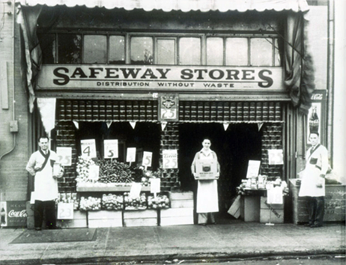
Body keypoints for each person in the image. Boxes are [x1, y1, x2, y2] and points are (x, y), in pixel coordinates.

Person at [26, 136, 63, 230]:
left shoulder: (54, 154)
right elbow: (28, 167)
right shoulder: (35, 155)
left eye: (46, 142)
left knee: (50, 202)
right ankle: (38, 226)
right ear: (39, 144)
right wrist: (35, 172)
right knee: (39, 202)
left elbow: (60, 166)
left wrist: (59, 174)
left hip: (51, 181)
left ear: (48, 143)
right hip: (40, 182)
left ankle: (51, 225)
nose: (44, 144)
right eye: (42, 143)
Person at [298, 132, 328, 228]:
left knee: (318, 198)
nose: (313, 140)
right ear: (309, 139)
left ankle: (318, 221)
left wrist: (322, 176)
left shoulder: (322, 149)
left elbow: (325, 164)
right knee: (310, 198)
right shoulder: (309, 150)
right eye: (311, 138)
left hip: (318, 177)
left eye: (315, 138)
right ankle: (311, 220)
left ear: (318, 138)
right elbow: (309, 165)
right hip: (309, 178)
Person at [191, 138, 220, 225]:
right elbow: (193, 164)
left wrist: (217, 173)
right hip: (202, 181)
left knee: (211, 198)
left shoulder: (213, 153)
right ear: (202, 144)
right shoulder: (198, 154)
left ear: (210, 144)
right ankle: (203, 220)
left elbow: (217, 164)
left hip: (211, 180)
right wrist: (194, 173)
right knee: (203, 199)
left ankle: (211, 219)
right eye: (205, 143)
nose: (207, 145)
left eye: (208, 143)